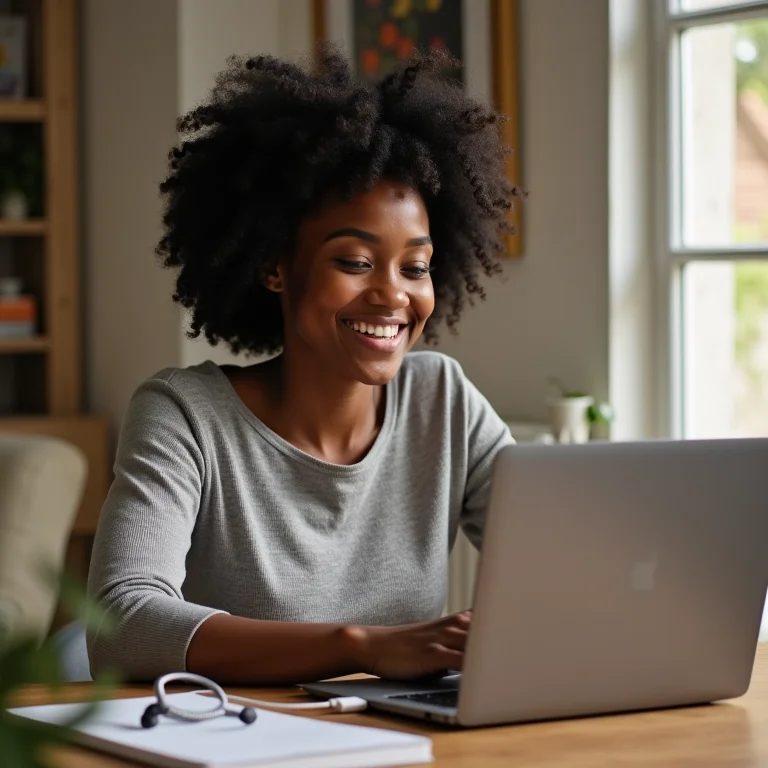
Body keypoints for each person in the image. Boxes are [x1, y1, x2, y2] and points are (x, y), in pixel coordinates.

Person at [87, 44, 521, 685]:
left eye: (416, 267)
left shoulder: (444, 401)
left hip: (410, 744)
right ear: (275, 266)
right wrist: (359, 646)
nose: (394, 295)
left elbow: (563, 564)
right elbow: (121, 625)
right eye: (354, 261)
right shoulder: (186, 416)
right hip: (238, 742)